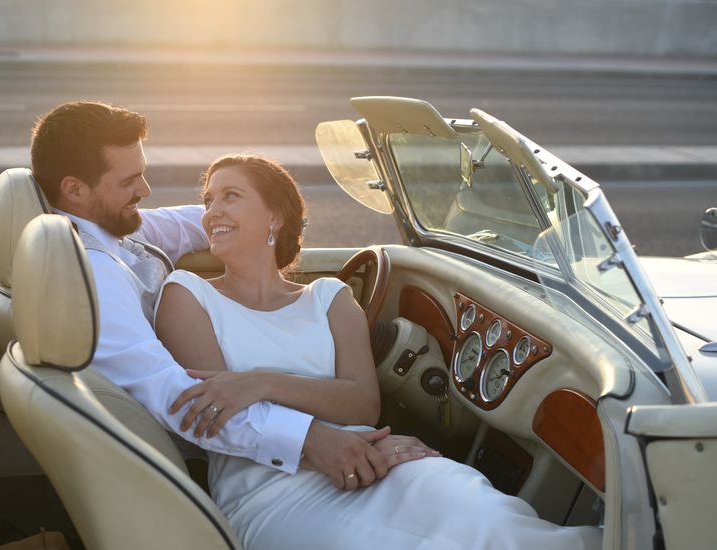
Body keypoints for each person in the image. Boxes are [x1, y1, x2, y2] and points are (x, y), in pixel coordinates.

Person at [154, 154, 603, 549]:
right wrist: (324, 438)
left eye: (230, 196)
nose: (211, 211)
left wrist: (261, 382)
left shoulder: (329, 296)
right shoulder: (186, 293)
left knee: (476, 507)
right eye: (208, 199)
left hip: (368, 461)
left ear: (275, 216)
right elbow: (214, 414)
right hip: (267, 491)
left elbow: (361, 403)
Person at [29, 101, 411, 489]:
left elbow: (193, 222)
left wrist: (258, 215)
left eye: (141, 175)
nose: (145, 190)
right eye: (129, 182)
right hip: (263, 467)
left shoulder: (111, 227)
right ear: (75, 190)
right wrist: (312, 439)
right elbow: (171, 394)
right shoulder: (91, 272)